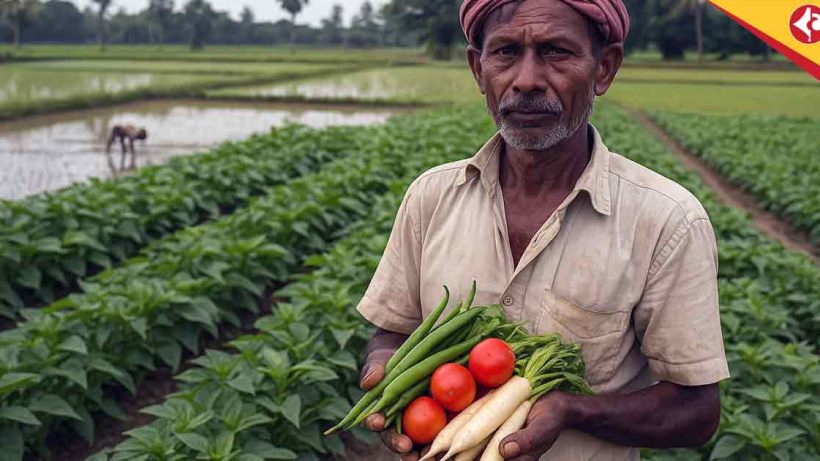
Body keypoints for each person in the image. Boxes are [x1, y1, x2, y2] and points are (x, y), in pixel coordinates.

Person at [355, 1, 730, 460]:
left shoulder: (667, 220)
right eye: (506, 52)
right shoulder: (430, 198)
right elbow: (391, 331)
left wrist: (572, 410)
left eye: (556, 52)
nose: (527, 80)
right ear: (478, 69)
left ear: (604, 69)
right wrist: (386, 370)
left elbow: (697, 412)